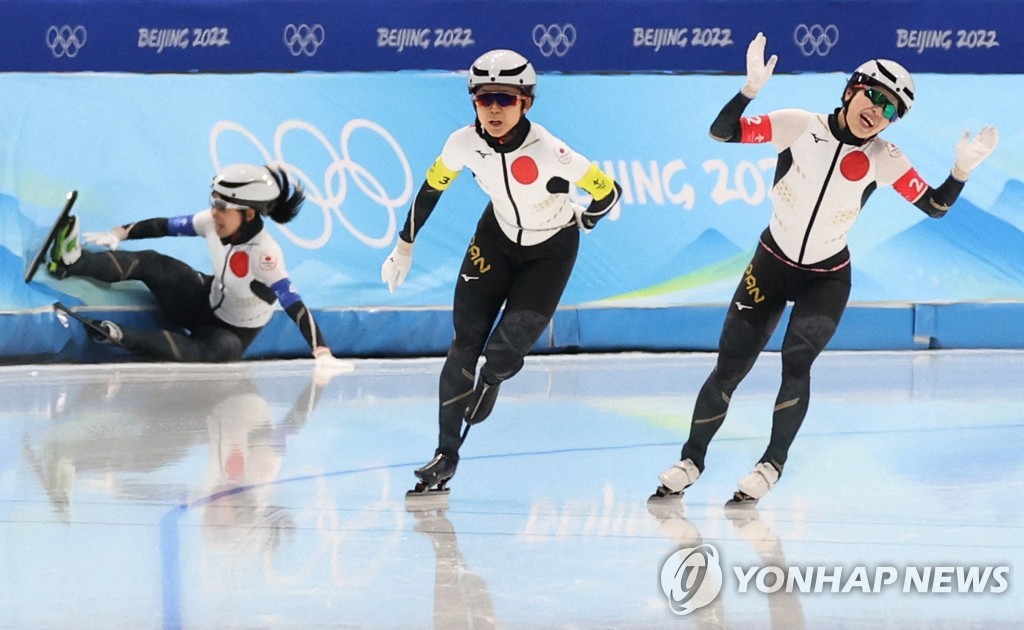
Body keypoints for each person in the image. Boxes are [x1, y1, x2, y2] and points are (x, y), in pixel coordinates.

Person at [653, 33, 999, 505]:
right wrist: (749, 91)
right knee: (730, 366)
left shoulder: (886, 158)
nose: (877, 111)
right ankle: (690, 460)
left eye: (891, 109)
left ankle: (771, 464)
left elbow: (934, 206)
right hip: (770, 264)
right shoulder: (797, 125)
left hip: (827, 277)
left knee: (797, 363)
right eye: (873, 95)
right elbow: (723, 132)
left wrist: (961, 170)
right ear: (850, 90)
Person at [381, 49, 622, 496]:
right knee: (463, 345)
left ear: (525, 102)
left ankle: (493, 379)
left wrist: (584, 219)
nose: (493, 109)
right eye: (484, 98)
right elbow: (431, 189)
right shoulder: (462, 143)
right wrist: (404, 245)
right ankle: (445, 455)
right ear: (473, 101)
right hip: (495, 239)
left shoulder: (553, 153)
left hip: (549, 253)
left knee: (502, 354)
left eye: (505, 100)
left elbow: (608, 192)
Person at [48, 163, 346, 364]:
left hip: (229, 333)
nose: (214, 212)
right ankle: (73, 261)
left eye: (221, 206)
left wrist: (321, 351)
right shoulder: (211, 222)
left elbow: (294, 304)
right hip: (204, 298)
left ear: (249, 214)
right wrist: (119, 233)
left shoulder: (265, 255)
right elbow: (164, 226)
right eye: (213, 201)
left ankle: (121, 336)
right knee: (154, 263)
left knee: (221, 351)